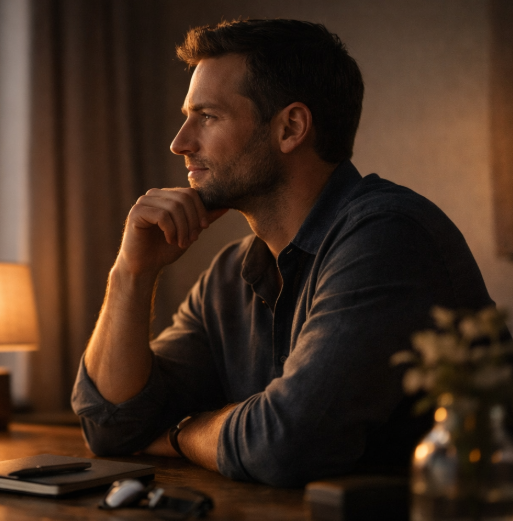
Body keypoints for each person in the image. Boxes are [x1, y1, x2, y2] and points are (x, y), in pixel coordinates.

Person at [70, 18, 498, 487]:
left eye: (207, 117)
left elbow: (290, 441)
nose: (180, 143)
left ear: (290, 127)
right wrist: (132, 273)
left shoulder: (389, 237)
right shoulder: (230, 274)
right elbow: (111, 426)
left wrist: (179, 434)